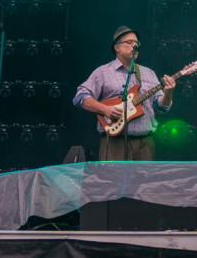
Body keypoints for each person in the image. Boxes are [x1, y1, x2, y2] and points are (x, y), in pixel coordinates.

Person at [73, 26, 176, 161]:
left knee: (144, 182)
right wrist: (105, 109)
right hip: (115, 142)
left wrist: (168, 94)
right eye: (129, 42)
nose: (134, 45)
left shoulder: (149, 73)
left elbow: (161, 107)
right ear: (117, 47)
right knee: (114, 181)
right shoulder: (103, 72)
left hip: (145, 142)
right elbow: (80, 98)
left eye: (136, 43)